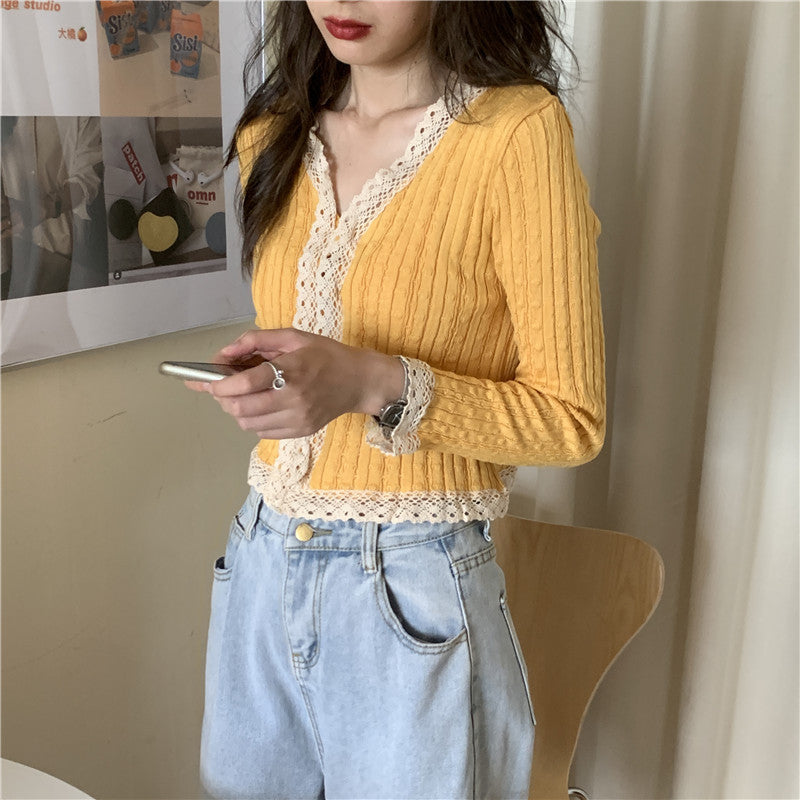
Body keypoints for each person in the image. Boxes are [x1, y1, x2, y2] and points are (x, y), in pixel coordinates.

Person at [193, 2, 605, 798]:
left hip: (411, 586)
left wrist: (375, 384)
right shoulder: (273, 133)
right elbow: (312, 347)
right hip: (259, 559)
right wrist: (275, 383)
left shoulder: (516, 134)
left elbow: (571, 420)